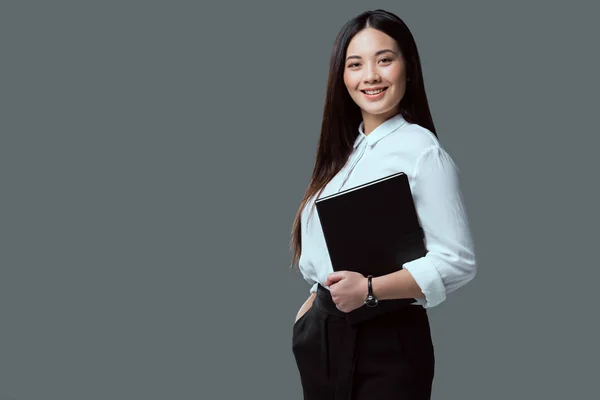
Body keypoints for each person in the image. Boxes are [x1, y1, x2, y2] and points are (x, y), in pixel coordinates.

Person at [288, 9, 477, 400]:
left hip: (386, 340)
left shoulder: (422, 151)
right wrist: (310, 311)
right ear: (342, 77)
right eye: (355, 64)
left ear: (409, 68)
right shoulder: (341, 156)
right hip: (324, 337)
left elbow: (457, 260)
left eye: (384, 60)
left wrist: (369, 289)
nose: (370, 76)